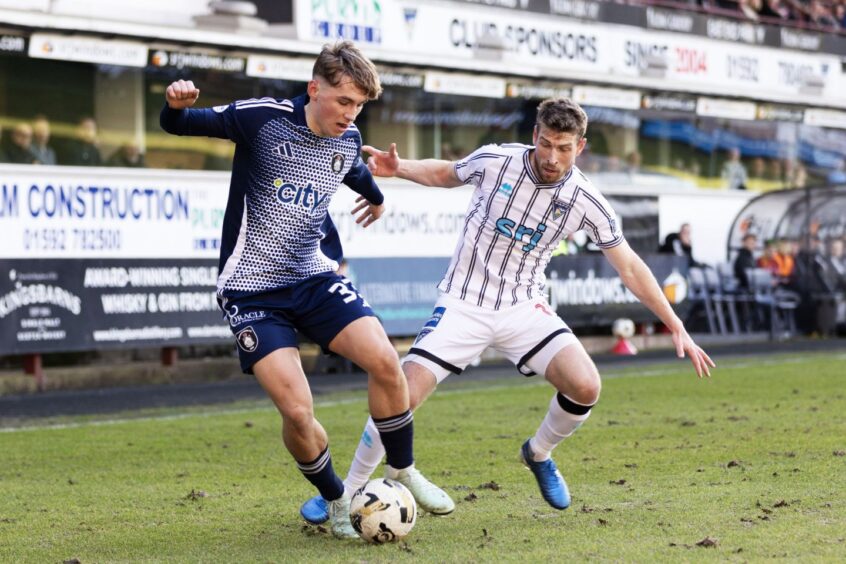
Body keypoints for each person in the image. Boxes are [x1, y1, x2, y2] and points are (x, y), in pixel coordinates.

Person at [300, 97, 714, 523]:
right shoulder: (498, 160)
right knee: (399, 396)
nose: (553, 157)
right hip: (464, 301)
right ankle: (344, 494)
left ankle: (538, 453)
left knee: (586, 386)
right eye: (547, 144)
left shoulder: (587, 200)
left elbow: (628, 265)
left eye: (564, 148)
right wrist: (398, 168)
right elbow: (446, 172)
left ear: (581, 147)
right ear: (534, 136)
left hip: (523, 306)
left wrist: (674, 323)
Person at [159, 40, 447, 540]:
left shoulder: (347, 137)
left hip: (313, 277)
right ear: (314, 89)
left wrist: (377, 198)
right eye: (343, 101)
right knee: (296, 410)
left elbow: (355, 170)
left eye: (359, 105)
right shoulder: (262, 120)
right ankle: (337, 501)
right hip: (252, 291)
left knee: (384, 358)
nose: (350, 114)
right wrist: (175, 104)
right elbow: (181, 125)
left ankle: (402, 470)